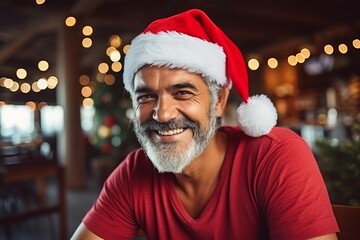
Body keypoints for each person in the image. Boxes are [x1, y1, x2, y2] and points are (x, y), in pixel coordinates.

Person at [71, 9, 339, 240]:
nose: (162, 114)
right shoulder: (133, 173)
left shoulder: (276, 156)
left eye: (183, 93)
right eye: (146, 96)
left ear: (219, 100)